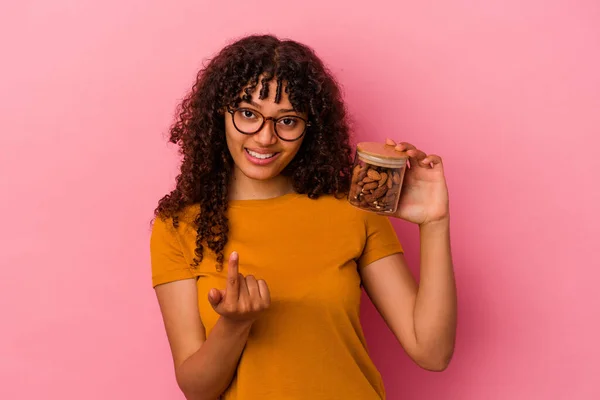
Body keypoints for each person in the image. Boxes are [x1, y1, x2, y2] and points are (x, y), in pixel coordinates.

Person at [150, 34, 457, 400]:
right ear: (221, 113)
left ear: (310, 127)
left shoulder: (354, 210)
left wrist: (434, 223)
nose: (265, 138)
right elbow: (197, 389)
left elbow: (432, 351)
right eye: (248, 114)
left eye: (288, 121)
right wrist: (234, 324)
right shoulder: (179, 227)